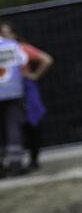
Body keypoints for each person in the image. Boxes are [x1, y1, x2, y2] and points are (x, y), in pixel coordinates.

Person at [0, 22, 52, 172]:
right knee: (13, 128)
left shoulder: (20, 48)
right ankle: (16, 164)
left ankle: (27, 161)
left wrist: (33, 76)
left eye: (6, 33)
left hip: (21, 94)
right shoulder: (16, 48)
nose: (3, 36)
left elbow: (46, 59)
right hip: (15, 93)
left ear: (14, 34)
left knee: (24, 126)